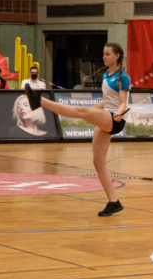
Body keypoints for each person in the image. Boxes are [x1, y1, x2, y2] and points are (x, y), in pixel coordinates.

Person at [24, 42, 130, 216]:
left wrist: (118, 114)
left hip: (115, 119)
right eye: (103, 54)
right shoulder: (106, 75)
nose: (104, 57)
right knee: (98, 161)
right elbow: (106, 101)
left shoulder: (123, 76)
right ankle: (114, 202)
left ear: (117, 56)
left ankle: (39, 101)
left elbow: (123, 103)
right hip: (106, 115)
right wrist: (90, 111)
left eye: (107, 54)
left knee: (81, 111)